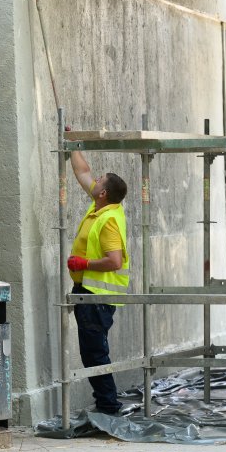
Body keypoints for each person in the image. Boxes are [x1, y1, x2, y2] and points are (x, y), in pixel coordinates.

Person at [66, 145, 130, 415]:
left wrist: (85, 263)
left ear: (103, 192)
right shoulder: (99, 208)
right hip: (88, 292)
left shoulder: (109, 221)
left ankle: (108, 407)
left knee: (94, 353)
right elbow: (83, 170)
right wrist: (71, 144)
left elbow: (115, 260)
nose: (95, 180)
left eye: (100, 180)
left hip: (97, 296)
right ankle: (106, 403)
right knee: (92, 351)